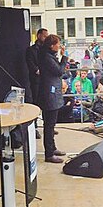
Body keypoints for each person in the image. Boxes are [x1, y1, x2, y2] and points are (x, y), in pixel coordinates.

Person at [37, 34, 68, 164]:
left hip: (52, 94)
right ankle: (49, 153)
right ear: (51, 45)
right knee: (49, 126)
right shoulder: (47, 57)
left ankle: (52, 148)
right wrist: (64, 58)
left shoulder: (49, 56)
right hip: (49, 95)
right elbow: (59, 71)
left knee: (51, 124)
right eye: (57, 43)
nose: (59, 45)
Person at [25, 28, 48, 104]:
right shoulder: (31, 50)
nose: (46, 38)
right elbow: (30, 63)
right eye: (44, 36)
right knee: (36, 98)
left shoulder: (46, 49)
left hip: (46, 79)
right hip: (36, 79)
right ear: (39, 36)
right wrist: (38, 71)